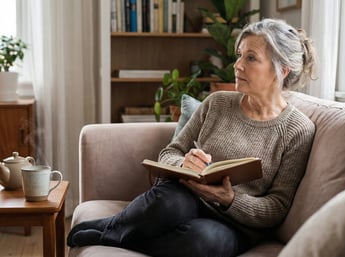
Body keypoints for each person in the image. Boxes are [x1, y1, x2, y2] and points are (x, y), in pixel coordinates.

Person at [67, 18, 317, 257]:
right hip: (185, 197)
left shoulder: (298, 130)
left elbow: (277, 207)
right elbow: (169, 153)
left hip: (235, 224)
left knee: (203, 243)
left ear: (282, 70)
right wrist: (184, 164)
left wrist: (229, 199)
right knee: (168, 204)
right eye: (239, 55)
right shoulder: (217, 103)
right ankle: (117, 225)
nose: (237, 65)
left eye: (251, 58)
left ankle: (112, 233)